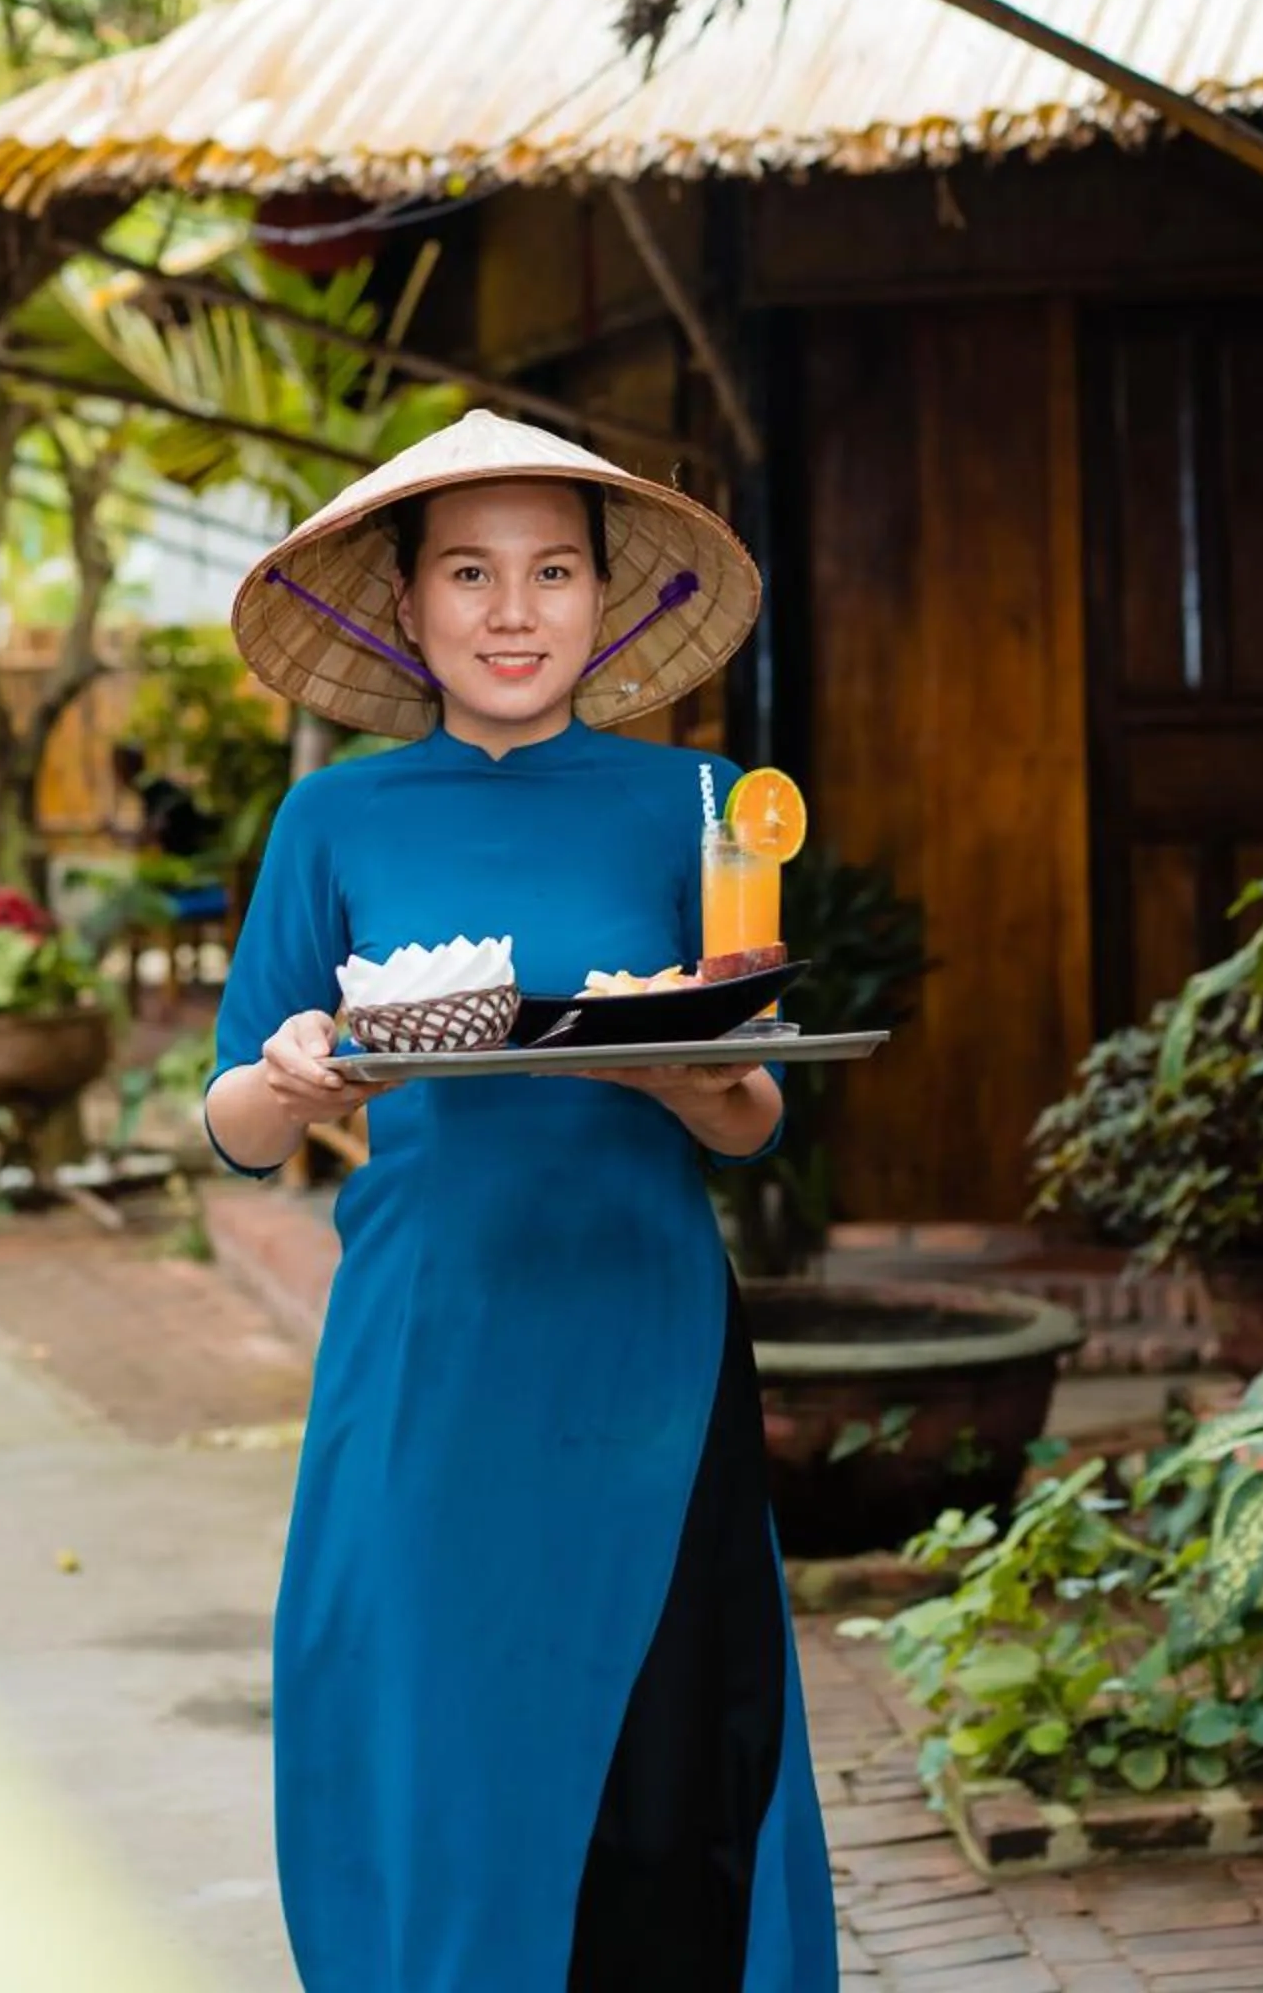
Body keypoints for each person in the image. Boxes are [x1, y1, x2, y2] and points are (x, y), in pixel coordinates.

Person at [202, 411, 836, 1992]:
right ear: (404, 605)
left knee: (670, 1760)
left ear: (607, 601)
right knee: (426, 1730)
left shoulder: (695, 801)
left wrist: (689, 1078)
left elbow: (756, 1109)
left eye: (553, 570)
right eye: (470, 572)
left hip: (646, 1344)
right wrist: (297, 1080)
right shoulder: (334, 820)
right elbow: (233, 1122)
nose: (511, 609)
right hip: (425, 1349)